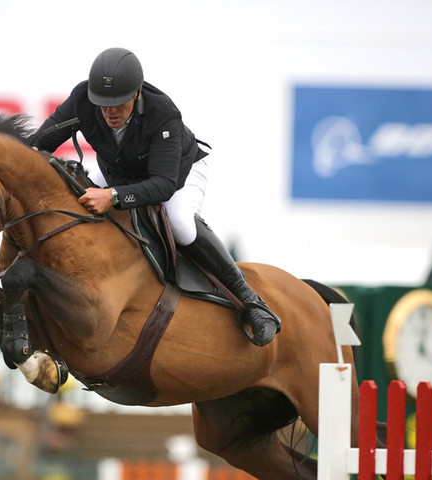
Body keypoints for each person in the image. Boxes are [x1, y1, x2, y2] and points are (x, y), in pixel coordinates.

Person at [33, 47, 280, 346]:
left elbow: (162, 185)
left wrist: (112, 197)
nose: (110, 112)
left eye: (119, 103)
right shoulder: (83, 98)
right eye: (103, 104)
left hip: (177, 173)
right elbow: (37, 145)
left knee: (180, 224)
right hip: (119, 174)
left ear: (137, 92)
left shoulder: (163, 112)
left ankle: (252, 302)